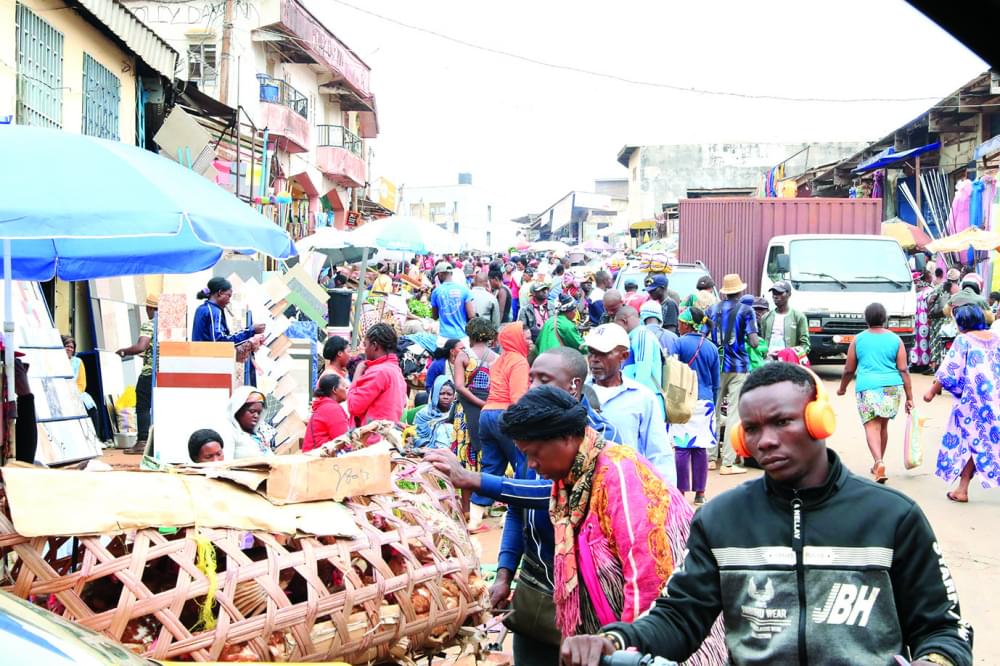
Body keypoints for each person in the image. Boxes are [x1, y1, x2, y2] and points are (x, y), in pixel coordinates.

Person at [561, 363, 974, 666]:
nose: (766, 441)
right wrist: (614, 640)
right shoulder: (721, 520)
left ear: (818, 421)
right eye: (752, 429)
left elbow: (943, 630)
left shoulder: (892, 517)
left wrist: (933, 661)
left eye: (782, 422)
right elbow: (680, 616)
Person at [497, 387, 682, 638]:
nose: (531, 464)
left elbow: (649, 578)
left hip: (648, 638)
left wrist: (628, 645)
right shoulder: (568, 482)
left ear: (565, 437)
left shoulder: (620, 473)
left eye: (534, 453)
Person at [924, 304, 1000, 503]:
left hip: (972, 402)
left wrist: (932, 391)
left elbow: (950, 370)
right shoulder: (996, 339)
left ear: (962, 323)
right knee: (984, 442)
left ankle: (962, 489)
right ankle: (962, 488)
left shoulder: (963, 340)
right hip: (996, 400)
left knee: (970, 441)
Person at [584, 324, 675, 485]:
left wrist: (667, 494)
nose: (594, 359)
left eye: (603, 353)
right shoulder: (578, 393)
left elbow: (659, 453)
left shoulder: (642, 398)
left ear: (623, 356)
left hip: (626, 488)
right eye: (591, 352)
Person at [837, 302, 913, 483]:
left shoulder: (859, 339)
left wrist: (842, 388)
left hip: (868, 387)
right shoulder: (896, 340)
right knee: (883, 426)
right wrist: (910, 397)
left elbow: (849, 369)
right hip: (891, 388)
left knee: (871, 426)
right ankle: (878, 463)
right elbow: (903, 370)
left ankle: (878, 462)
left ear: (866, 320)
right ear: (885, 319)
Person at [475, 322, 533, 531]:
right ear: (516, 339)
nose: (530, 341)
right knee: (521, 465)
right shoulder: (519, 361)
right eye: (526, 338)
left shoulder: (499, 361)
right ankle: (512, 515)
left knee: (491, 466)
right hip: (505, 415)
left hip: (487, 414)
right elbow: (517, 397)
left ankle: (474, 518)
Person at [706, 273, 759, 475]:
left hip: (716, 366)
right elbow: (754, 342)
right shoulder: (746, 311)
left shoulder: (712, 309)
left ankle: (711, 458)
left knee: (714, 410)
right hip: (738, 366)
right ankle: (728, 462)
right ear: (740, 291)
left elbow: (704, 334)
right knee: (734, 413)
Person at [669, 307, 720, 506]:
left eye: (681, 323)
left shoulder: (678, 344)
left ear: (686, 324)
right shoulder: (711, 347)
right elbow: (716, 382)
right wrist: (713, 405)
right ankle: (700, 493)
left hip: (683, 400)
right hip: (705, 401)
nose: (679, 326)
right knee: (700, 448)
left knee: (682, 447)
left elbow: (672, 373)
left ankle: (681, 492)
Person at [452, 317, 499, 517]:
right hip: (490, 410)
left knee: (465, 457)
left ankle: (466, 510)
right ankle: (484, 508)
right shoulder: (496, 358)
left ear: (470, 335)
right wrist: (486, 403)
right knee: (487, 457)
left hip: (465, 413)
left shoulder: (463, 356)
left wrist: (477, 402)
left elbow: (460, 386)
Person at [116, 294, 158, 454]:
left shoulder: (150, 324)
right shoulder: (170, 326)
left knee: (142, 407)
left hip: (149, 372)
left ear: (149, 308)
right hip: (166, 372)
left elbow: (141, 346)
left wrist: (124, 351)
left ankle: (142, 441)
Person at [346, 323, 406, 428]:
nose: (364, 349)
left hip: (373, 439)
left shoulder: (379, 372)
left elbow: (353, 406)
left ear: (374, 346)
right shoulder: (396, 370)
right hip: (387, 436)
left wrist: (358, 372)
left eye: (365, 345)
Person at [613, 306, 664, 402]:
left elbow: (643, 370)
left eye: (618, 325)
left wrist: (634, 397)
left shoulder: (642, 336)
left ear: (624, 321)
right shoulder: (636, 336)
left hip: (646, 399)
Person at [191, 277, 265, 343]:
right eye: (229, 296)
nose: (229, 301)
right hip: (210, 357)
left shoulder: (201, 308)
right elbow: (220, 341)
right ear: (220, 293)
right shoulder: (215, 311)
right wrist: (251, 331)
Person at [759, 279, 810, 362]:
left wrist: (790, 354)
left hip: (788, 363)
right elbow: (762, 341)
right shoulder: (766, 317)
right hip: (768, 361)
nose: (775, 296)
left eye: (780, 293)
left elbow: (805, 345)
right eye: (774, 293)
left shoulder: (798, 317)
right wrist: (766, 354)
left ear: (789, 294)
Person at [430, 262, 476, 345]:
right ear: (451, 273)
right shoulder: (464, 290)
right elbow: (471, 315)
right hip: (462, 337)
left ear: (440, 274)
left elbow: (435, 316)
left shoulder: (436, 292)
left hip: (444, 338)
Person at [63, 335, 99, 437]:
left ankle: (94, 437)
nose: (69, 349)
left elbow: (82, 383)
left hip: (76, 392)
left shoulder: (77, 362)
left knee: (91, 406)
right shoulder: (56, 360)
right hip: (60, 392)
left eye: (72, 347)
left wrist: (74, 394)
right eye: (67, 346)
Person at [303, 374, 350, 452]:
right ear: (335, 389)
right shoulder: (332, 409)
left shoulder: (325, 407)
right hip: (320, 460)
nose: (346, 388)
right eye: (344, 386)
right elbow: (344, 441)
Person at [927, 268, 960, 371]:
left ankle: (934, 365)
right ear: (957, 279)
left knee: (935, 340)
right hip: (950, 319)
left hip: (937, 318)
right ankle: (946, 364)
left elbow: (929, 299)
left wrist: (930, 311)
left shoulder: (939, 287)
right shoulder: (958, 289)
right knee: (948, 340)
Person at [227, 388, 276, 458]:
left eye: (259, 413)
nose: (256, 416)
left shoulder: (259, 436)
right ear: (238, 410)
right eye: (252, 411)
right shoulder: (231, 434)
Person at [413, 376, 457, 449]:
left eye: (449, 394)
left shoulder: (457, 413)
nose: (445, 397)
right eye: (442, 393)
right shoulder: (423, 414)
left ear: (454, 396)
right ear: (435, 394)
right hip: (427, 450)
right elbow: (417, 437)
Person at [911, 268, 935, 372]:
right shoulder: (930, 291)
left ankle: (915, 363)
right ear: (928, 279)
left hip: (916, 320)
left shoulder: (915, 291)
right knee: (925, 341)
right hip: (925, 320)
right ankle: (924, 364)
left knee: (916, 341)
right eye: (930, 277)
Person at [747, 296, 770, 371]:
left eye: (761, 310)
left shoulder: (771, 324)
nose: (757, 313)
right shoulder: (747, 326)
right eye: (754, 309)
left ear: (768, 311)